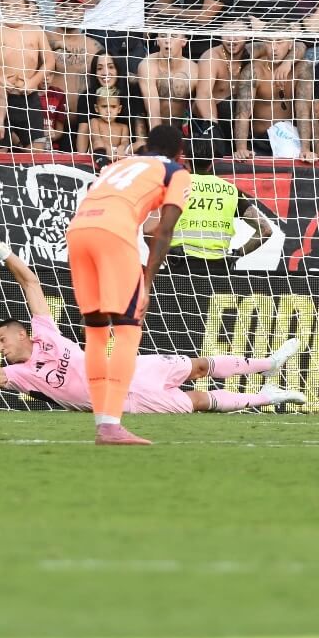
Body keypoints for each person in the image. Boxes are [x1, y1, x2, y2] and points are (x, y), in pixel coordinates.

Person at [0, 228, 305, 412]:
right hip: (124, 398)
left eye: (2, 340)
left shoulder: (44, 332)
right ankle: (264, 397)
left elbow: (29, 280)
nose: (1, 347)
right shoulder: (22, 376)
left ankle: (268, 363)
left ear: (23, 333)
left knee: (198, 364)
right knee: (198, 400)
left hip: (131, 367)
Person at [64, 122, 190, 446]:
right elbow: (164, 231)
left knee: (94, 327)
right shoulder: (175, 171)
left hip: (79, 230)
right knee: (127, 327)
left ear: (147, 145)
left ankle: (101, 422)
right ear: (179, 152)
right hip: (114, 232)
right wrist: (146, 282)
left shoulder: (121, 164)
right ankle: (111, 425)